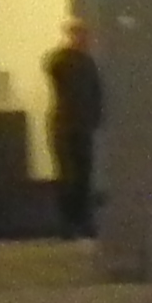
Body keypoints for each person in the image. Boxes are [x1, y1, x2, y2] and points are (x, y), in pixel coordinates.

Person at [43, 21, 103, 237]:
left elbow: (96, 92)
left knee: (84, 176)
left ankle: (82, 221)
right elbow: (53, 69)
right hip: (65, 125)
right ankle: (68, 223)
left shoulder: (87, 62)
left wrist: (96, 118)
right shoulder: (61, 60)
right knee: (68, 176)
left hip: (81, 125)